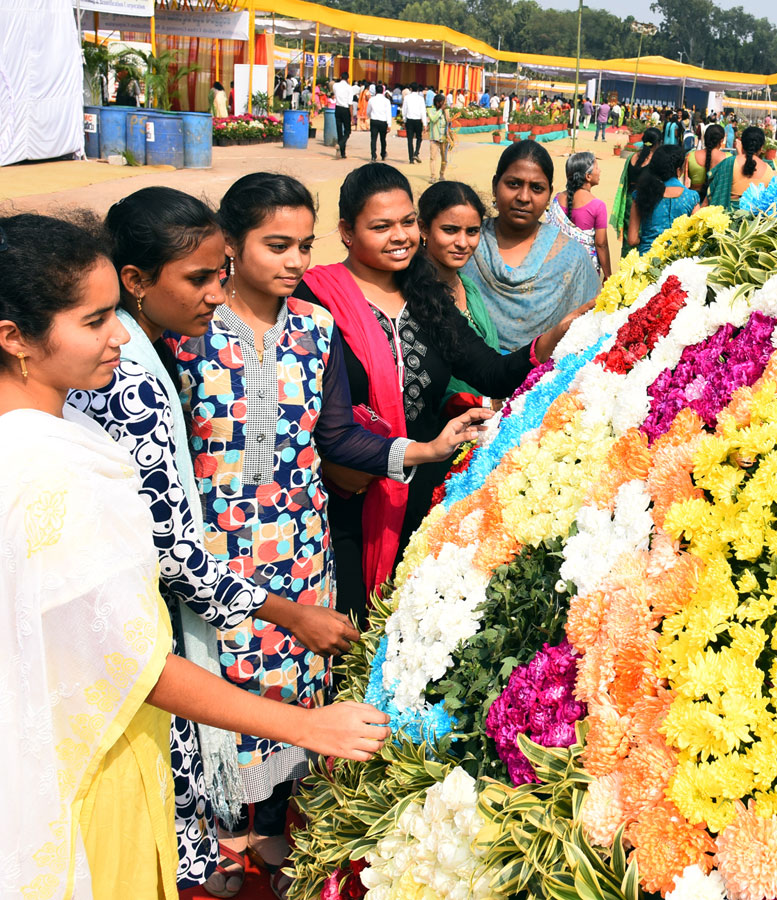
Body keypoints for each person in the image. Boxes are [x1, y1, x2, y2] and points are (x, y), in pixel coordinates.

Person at [0, 212, 392, 900]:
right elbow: (133, 663)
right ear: (13, 337)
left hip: (43, 734)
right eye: (95, 320)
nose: (119, 338)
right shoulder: (44, 470)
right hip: (92, 760)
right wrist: (305, 724)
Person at [173, 174, 483, 895]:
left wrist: (425, 453)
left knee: (294, 690)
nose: (293, 261)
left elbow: (338, 433)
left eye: (303, 246)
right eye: (276, 245)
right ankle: (219, 835)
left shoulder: (315, 327)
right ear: (231, 245)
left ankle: (275, 823)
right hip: (216, 552)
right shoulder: (188, 333)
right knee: (220, 688)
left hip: (300, 543)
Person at [296, 164, 582, 616]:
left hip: (422, 490)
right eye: (381, 226)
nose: (401, 235)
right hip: (344, 498)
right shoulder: (311, 297)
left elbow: (491, 370)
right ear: (347, 232)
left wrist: (553, 337)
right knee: (348, 619)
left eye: (407, 221)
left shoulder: (426, 295)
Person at [464, 140, 600, 353]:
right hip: (465, 377)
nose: (523, 197)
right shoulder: (466, 244)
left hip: (542, 381)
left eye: (536, 188)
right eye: (513, 184)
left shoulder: (571, 257)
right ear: (494, 186)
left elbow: (588, 329)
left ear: (549, 195)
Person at [417, 181, 500, 415]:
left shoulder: (468, 287)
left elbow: (488, 357)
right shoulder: (415, 295)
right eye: (450, 230)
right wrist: (485, 404)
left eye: (472, 231)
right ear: (423, 228)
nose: (463, 243)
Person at [549, 151, 611, 279]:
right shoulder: (598, 206)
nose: (600, 171)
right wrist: (608, 275)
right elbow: (601, 244)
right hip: (584, 272)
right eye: (597, 168)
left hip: (557, 269)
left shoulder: (557, 199)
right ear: (588, 176)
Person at [627, 144, 700, 254]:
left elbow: (632, 240)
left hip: (647, 262)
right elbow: (698, 234)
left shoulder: (641, 194)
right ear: (678, 170)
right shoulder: (691, 197)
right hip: (678, 262)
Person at [610, 128, 662, 257]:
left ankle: (626, 263)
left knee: (629, 234)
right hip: (646, 200)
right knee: (643, 234)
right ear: (657, 143)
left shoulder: (632, 157)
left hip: (629, 200)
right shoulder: (654, 161)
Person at [708, 125, 774, 210]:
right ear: (761, 147)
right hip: (756, 221)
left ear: (742, 144)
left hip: (727, 218)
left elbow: (713, 191)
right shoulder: (768, 170)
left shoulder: (729, 163)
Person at [689, 123, 725, 197]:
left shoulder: (690, 156)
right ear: (722, 140)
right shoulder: (728, 158)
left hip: (694, 198)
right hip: (717, 200)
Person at [427, 92, 451, 183]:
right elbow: (433, 119)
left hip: (444, 138)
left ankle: (442, 174)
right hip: (434, 138)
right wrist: (440, 110)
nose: (445, 104)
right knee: (433, 157)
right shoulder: (431, 110)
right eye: (443, 102)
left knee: (444, 158)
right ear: (438, 103)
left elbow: (448, 122)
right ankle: (433, 176)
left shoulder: (446, 111)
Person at [402, 81, 426, 164]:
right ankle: (416, 153)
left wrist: (404, 120)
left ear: (410, 89)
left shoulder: (407, 98)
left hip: (409, 120)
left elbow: (404, 110)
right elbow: (423, 111)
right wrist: (425, 123)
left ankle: (411, 158)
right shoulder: (421, 98)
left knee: (410, 139)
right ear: (418, 89)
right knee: (419, 138)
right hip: (418, 120)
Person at [367, 86, 391, 162]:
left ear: (375, 91)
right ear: (383, 91)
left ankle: (373, 155)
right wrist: (389, 124)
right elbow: (388, 113)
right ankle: (383, 153)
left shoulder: (371, 100)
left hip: (374, 120)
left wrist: (370, 116)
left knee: (373, 139)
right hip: (383, 121)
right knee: (383, 139)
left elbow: (368, 111)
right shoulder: (386, 101)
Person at [332, 72, 353, 158]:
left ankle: (342, 152)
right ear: (348, 79)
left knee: (339, 131)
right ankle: (340, 145)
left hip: (337, 108)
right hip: (345, 109)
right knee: (347, 131)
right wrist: (351, 116)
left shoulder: (335, 86)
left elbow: (334, 93)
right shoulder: (349, 88)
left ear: (340, 77)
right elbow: (350, 103)